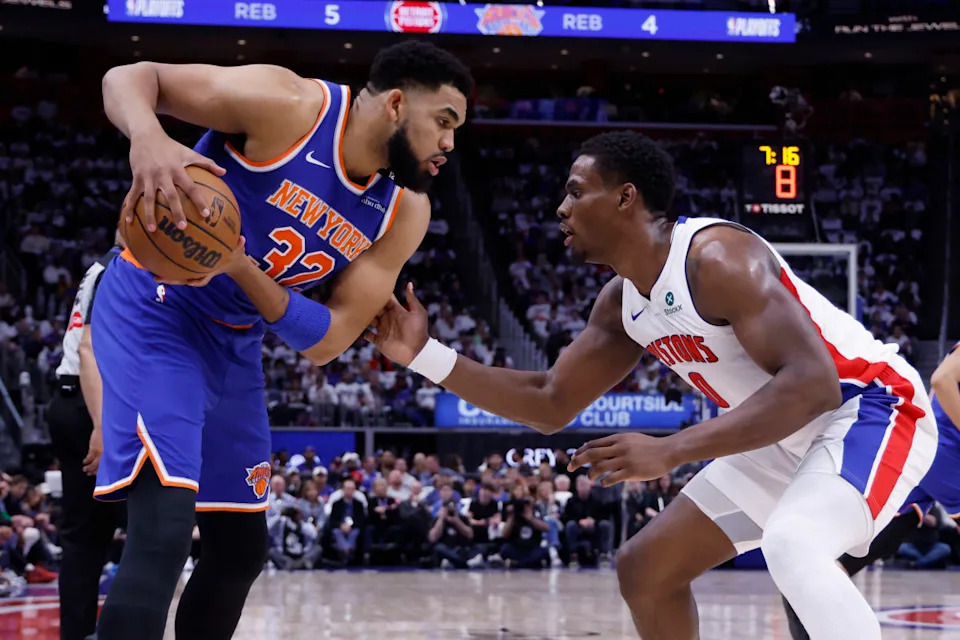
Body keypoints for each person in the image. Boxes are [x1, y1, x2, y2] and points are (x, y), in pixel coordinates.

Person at [366, 130, 937, 639]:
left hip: (870, 408)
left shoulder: (717, 258)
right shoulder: (622, 303)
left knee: (794, 544)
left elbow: (813, 386)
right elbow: (549, 403)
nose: (561, 208)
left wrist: (671, 449)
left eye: (576, 192)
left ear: (625, 197)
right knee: (646, 569)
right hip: (781, 436)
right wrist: (424, 355)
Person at [90, 41, 472, 640]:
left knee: (241, 549)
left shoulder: (403, 212)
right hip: (157, 308)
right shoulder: (290, 105)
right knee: (163, 531)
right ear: (397, 104)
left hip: (236, 339)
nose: (449, 142)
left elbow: (327, 342)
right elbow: (131, 75)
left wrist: (240, 267)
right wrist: (148, 139)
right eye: (444, 121)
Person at [783, 341, 960, 639]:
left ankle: (811, 593)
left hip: (926, 456)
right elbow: (942, 379)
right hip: (945, 450)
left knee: (867, 545)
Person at [46, 240, 125, 640]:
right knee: (146, 529)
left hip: (74, 400)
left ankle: (80, 633)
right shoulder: (120, 268)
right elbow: (90, 347)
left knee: (86, 536)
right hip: (92, 404)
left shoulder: (101, 266)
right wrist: (101, 423)